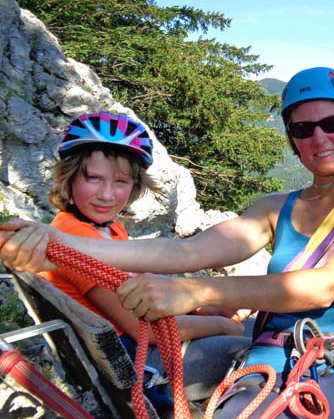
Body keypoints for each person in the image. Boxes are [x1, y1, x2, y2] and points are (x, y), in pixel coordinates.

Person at [0, 69, 334, 419]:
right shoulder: (275, 209)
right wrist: (54, 240)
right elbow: (188, 250)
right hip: (276, 362)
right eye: (302, 129)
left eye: (332, 124)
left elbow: (326, 284)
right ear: (292, 140)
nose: (320, 138)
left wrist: (198, 291)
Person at [35, 111, 249, 403]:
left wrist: (206, 311)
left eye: (120, 182)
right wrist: (224, 325)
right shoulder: (78, 240)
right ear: (69, 178)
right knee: (262, 351)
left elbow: (136, 298)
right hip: (141, 370)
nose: (107, 195)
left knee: (257, 328)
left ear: (134, 187)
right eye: (94, 178)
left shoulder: (105, 228)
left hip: (132, 354)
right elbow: (143, 330)